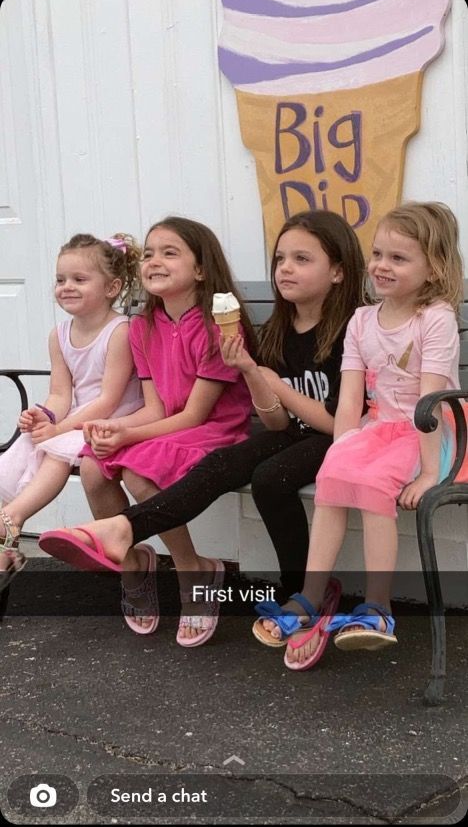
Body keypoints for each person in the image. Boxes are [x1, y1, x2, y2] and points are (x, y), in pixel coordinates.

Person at [39, 210, 365, 645]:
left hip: (335, 437)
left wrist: (265, 382)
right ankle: (128, 544)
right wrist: (253, 373)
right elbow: (276, 421)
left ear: (339, 271)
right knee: (204, 464)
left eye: (301, 259)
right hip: (290, 432)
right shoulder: (275, 332)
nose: (285, 268)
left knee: (269, 479)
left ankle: (298, 591)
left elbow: (339, 426)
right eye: (281, 259)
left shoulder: (353, 329)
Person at [40, 216, 255, 642]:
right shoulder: (143, 327)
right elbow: (155, 408)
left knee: (140, 469)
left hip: (216, 429)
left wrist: (129, 435)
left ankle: (193, 570)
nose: (155, 260)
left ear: (200, 269)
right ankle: (134, 564)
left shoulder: (216, 325)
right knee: (92, 464)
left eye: (170, 252)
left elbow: (194, 416)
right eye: (151, 253)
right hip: (170, 426)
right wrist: (113, 427)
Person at [273, 201, 463, 672]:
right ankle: (312, 594)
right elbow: (352, 400)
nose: (381, 265)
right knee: (334, 472)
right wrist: (341, 451)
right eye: (378, 253)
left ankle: (379, 607)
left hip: (429, 433)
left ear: (433, 267)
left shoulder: (434, 318)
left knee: (378, 482)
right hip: (378, 427)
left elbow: (432, 403)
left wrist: (426, 473)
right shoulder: (361, 320)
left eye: (398, 258)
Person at [0, 232, 144, 590]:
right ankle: (5, 537)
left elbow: (108, 399)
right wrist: (44, 416)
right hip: (77, 420)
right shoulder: (59, 334)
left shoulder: (120, 331)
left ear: (112, 287)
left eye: (79, 280)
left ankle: (12, 520)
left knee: (55, 453)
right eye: (60, 279)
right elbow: (61, 393)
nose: (67, 287)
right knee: (30, 445)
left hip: (114, 419)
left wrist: (59, 428)